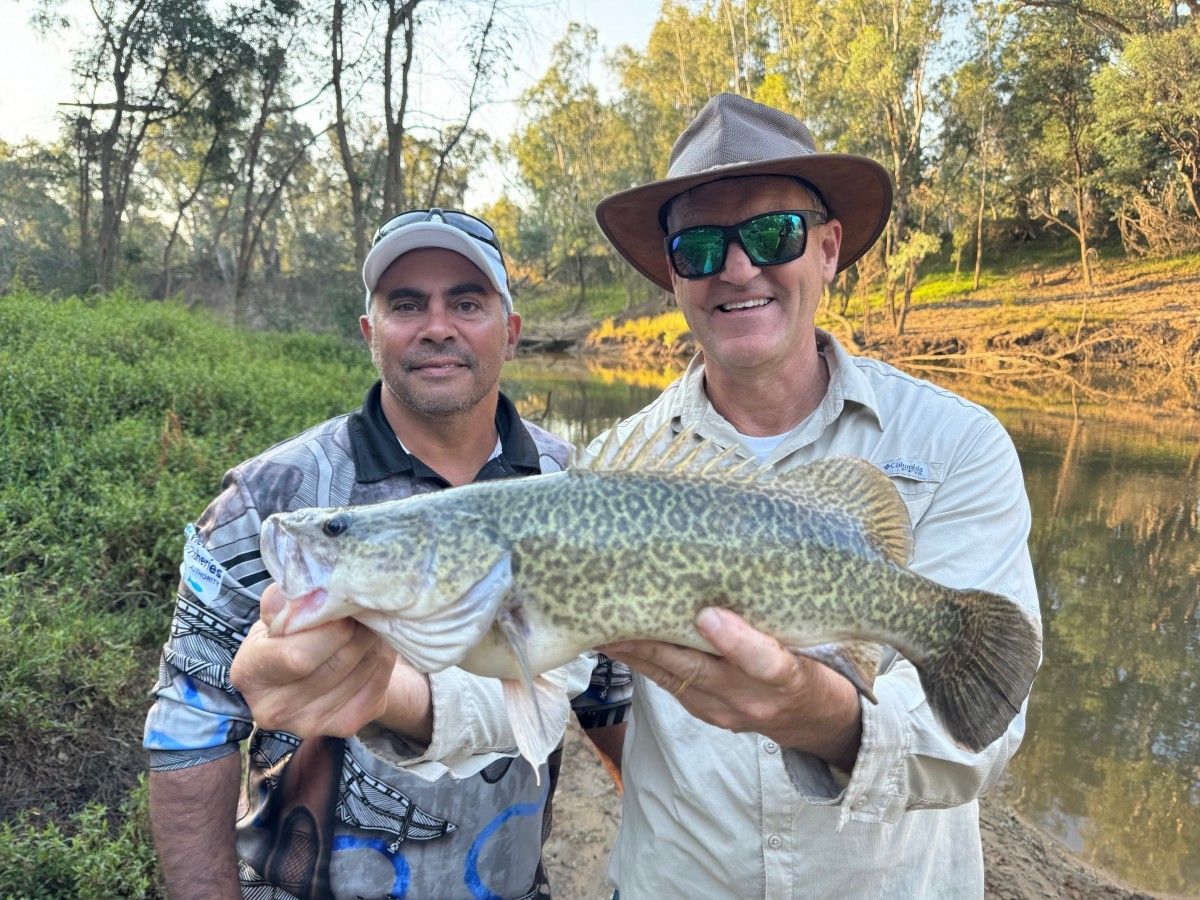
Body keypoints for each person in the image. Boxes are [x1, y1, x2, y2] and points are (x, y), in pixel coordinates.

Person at [590, 93, 1042, 897]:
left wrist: (820, 714)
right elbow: (523, 681)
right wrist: (391, 683)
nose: (737, 268)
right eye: (699, 247)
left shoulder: (958, 444)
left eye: (773, 234)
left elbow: (981, 733)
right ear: (673, 274)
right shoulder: (611, 474)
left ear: (829, 250)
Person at [144, 208, 629, 900]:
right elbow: (189, 733)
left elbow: (610, 701)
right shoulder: (270, 500)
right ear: (371, 334)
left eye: (467, 301)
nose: (437, 326)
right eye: (407, 304)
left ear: (511, 331)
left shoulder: (579, 489)